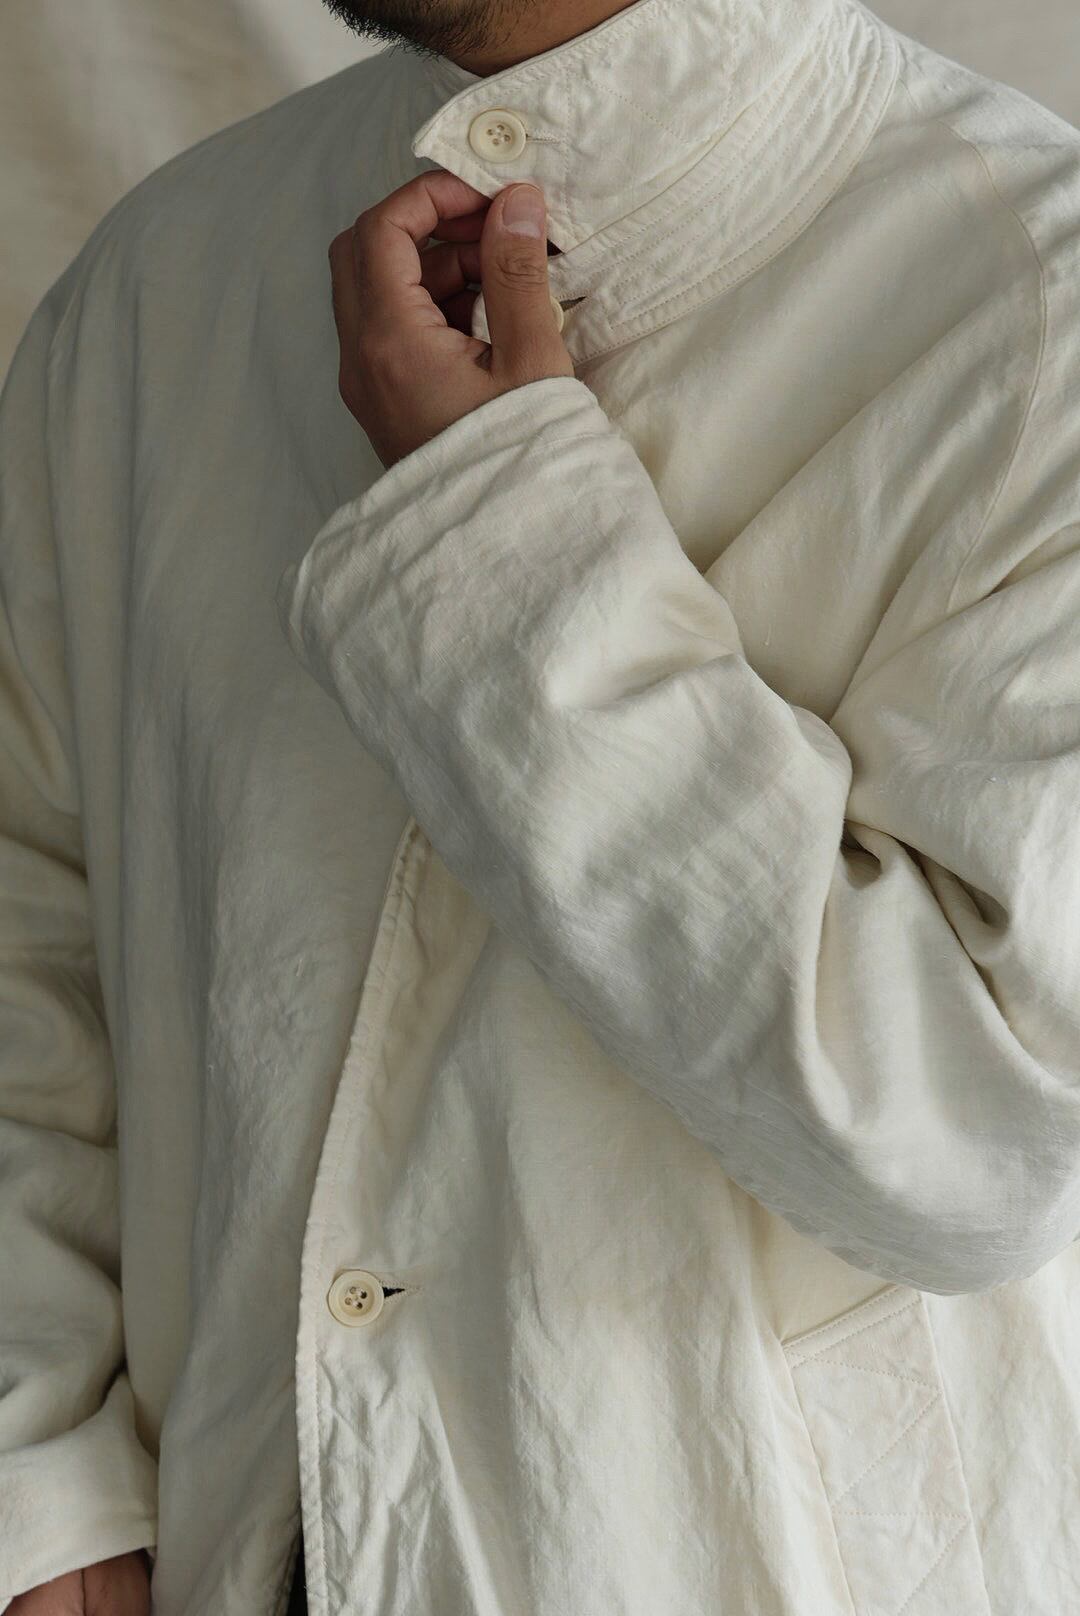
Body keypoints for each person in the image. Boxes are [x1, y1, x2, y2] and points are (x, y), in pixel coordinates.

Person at [3, 0, 1080, 1608]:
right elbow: (34, 924)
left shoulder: (1039, 301)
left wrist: (494, 527)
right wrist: (41, 1481)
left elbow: (969, 1133)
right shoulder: (164, 279)